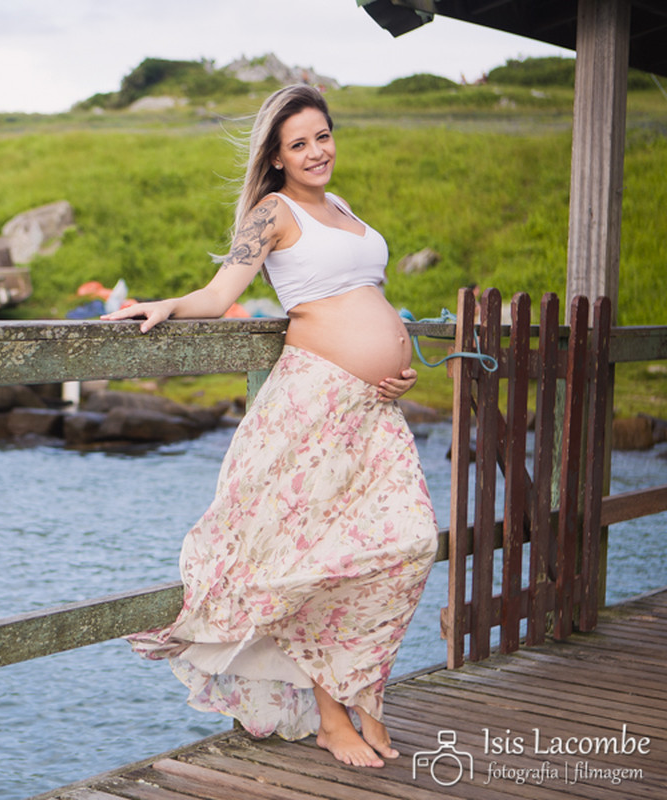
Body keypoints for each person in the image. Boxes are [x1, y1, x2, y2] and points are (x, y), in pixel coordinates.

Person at [102, 85, 438, 769]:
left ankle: (363, 695)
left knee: (410, 542)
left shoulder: (342, 209)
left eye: (324, 135)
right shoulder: (272, 212)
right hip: (313, 407)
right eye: (300, 143)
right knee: (313, 561)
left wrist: (398, 362)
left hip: (372, 410)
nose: (318, 151)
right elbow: (224, 293)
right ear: (277, 157)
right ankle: (330, 716)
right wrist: (168, 304)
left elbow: (367, 296)